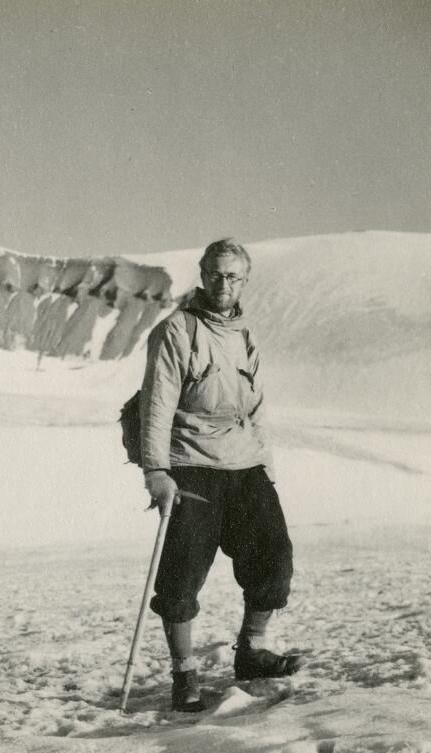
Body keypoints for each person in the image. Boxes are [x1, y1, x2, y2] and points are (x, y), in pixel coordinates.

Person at [139, 237, 299, 712]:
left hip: (244, 462)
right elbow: (156, 406)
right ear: (202, 274)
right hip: (192, 464)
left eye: (232, 276)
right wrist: (156, 471)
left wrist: (265, 463)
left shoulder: (244, 335)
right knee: (183, 573)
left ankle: (250, 652)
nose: (223, 283)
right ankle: (184, 673)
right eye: (215, 274)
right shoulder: (176, 331)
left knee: (274, 555)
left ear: (244, 280)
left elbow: (257, 408)